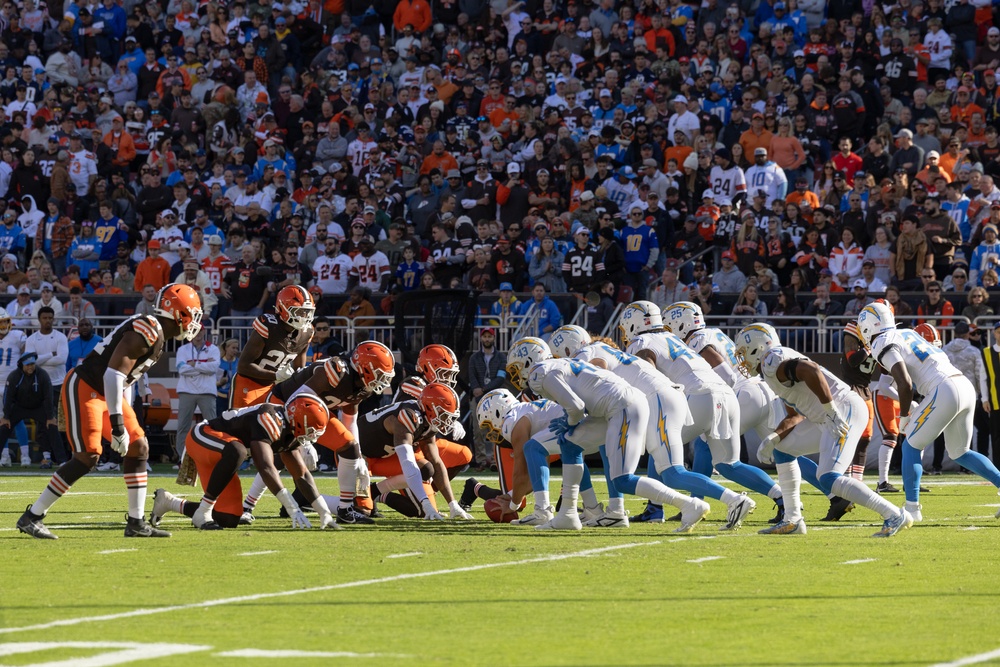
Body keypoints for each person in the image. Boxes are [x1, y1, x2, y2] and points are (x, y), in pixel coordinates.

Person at [16, 284, 203, 539]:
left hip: (107, 390)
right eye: (193, 313)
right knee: (88, 456)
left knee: (139, 446)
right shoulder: (146, 331)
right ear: (179, 313)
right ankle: (32, 516)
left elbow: (121, 380)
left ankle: (136, 523)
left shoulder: (155, 333)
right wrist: (117, 426)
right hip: (87, 386)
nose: (194, 321)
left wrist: (123, 420)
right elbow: (113, 375)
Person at [507, 338, 712, 532]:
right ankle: (567, 515)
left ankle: (688, 504)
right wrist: (570, 422)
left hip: (622, 407)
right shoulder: (561, 364)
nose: (516, 375)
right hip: (612, 408)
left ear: (528, 360)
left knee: (623, 479)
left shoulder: (540, 373)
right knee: (569, 444)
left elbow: (576, 407)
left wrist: (568, 422)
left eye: (516, 368)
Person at [735, 322, 912, 537]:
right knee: (783, 450)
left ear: (758, 347)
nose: (742, 359)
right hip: (828, 416)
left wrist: (831, 411)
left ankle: (894, 513)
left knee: (828, 477)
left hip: (843, 409)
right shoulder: (771, 369)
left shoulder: (771, 361)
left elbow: (811, 370)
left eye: (744, 352)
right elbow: (795, 415)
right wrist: (773, 438)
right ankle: (792, 520)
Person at [857, 303, 1000, 523]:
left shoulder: (881, 340)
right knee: (960, 452)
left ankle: (912, 508)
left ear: (868, 325)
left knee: (911, 444)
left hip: (943, 389)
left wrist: (904, 417)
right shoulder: (905, 332)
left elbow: (905, 383)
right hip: (962, 384)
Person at [241, 341, 396, 525]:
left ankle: (345, 510)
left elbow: (349, 419)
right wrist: (304, 442)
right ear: (364, 368)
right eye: (379, 374)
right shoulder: (336, 371)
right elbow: (299, 399)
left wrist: (359, 458)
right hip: (286, 403)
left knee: (350, 448)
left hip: (317, 410)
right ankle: (247, 507)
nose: (382, 380)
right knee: (282, 454)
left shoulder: (362, 386)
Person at [152, 393, 337, 531]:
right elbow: (266, 468)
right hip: (203, 437)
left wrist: (323, 511)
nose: (311, 436)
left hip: (224, 453)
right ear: (298, 420)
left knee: (229, 518)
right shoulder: (270, 419)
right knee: (237, 450)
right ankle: (203, 512)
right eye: (310, 430)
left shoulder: (289, 431)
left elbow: (302, 474)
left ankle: (169, 502)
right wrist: (292, 507)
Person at [230, 284, 314, 409]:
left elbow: (298, 368)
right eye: (300, 311)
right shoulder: (269, 326)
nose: (305, 317)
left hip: (276, 388)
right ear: (283, 308)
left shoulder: (307, 332)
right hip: (249, 384)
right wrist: (276, 375)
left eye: (308, 312)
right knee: (241, 425)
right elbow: (243, 366)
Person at [0, 353, 63, 472]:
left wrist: (50, 416)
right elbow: (8, 397)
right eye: (27, 365)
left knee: (52, 426)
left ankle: (62, 460)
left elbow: (48, 396)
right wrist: (6, 416)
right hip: (19, 407)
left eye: (32, 364)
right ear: (21, 365)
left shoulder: (42, 375)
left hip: (38, 407)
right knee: (4, 427)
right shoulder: (14, 376)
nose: (30, 367)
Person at [25, 306, 68, 467]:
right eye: (45, 318)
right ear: (39, 319)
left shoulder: (60, 337)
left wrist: (39, 359)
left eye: (50, 318)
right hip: (39, 384)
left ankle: (61, 457)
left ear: (53, 319)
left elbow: (62, 359)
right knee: (42, 421)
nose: (48, 321)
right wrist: (51, 354)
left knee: (59, 421)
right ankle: (46, 456)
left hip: (58, 384)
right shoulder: (32, 339)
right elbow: (30, 361)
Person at [174, 327, 220, 463]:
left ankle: (212, 455)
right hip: (187, 391)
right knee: (183, 425)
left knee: (211, 425)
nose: (198, 334)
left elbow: (214, 369)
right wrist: (204, 366)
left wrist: (194, 365)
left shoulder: (213, 349)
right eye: (195, 330)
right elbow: (181, 369)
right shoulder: (183, 350)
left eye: (200, 331)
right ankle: (182, 459)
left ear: (204, 332)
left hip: (207, 391)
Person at [468, 328, 506, 472]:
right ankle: (481, 460)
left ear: (493, 338)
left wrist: (484, 389)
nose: (487, 339)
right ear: (481, 339)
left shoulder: (501, 357)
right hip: (477, 397)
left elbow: (501, 378)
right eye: (485, 336)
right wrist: (477, 390)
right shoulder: (474, 358)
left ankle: (496, 460)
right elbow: (472, 376)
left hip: (495, 397)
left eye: (489, 336)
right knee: (478, 430)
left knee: (497, 429)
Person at [0, 313, 29, 467]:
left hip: (12, 384)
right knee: (0, 421)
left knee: (17, 420)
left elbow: (27, 352)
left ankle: (25, 456)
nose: (4, 326)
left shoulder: (17, 336)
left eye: (6, 322)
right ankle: (4, 456)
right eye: (1, 323)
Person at [216, 338, 240, 417]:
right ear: (226, 348)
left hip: (234, 398)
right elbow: (211, 381)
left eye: (237, 348)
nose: (235, 350)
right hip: (220, 397)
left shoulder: (239, 362)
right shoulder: (218, 362)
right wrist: (220, 383)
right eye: (233, 348)